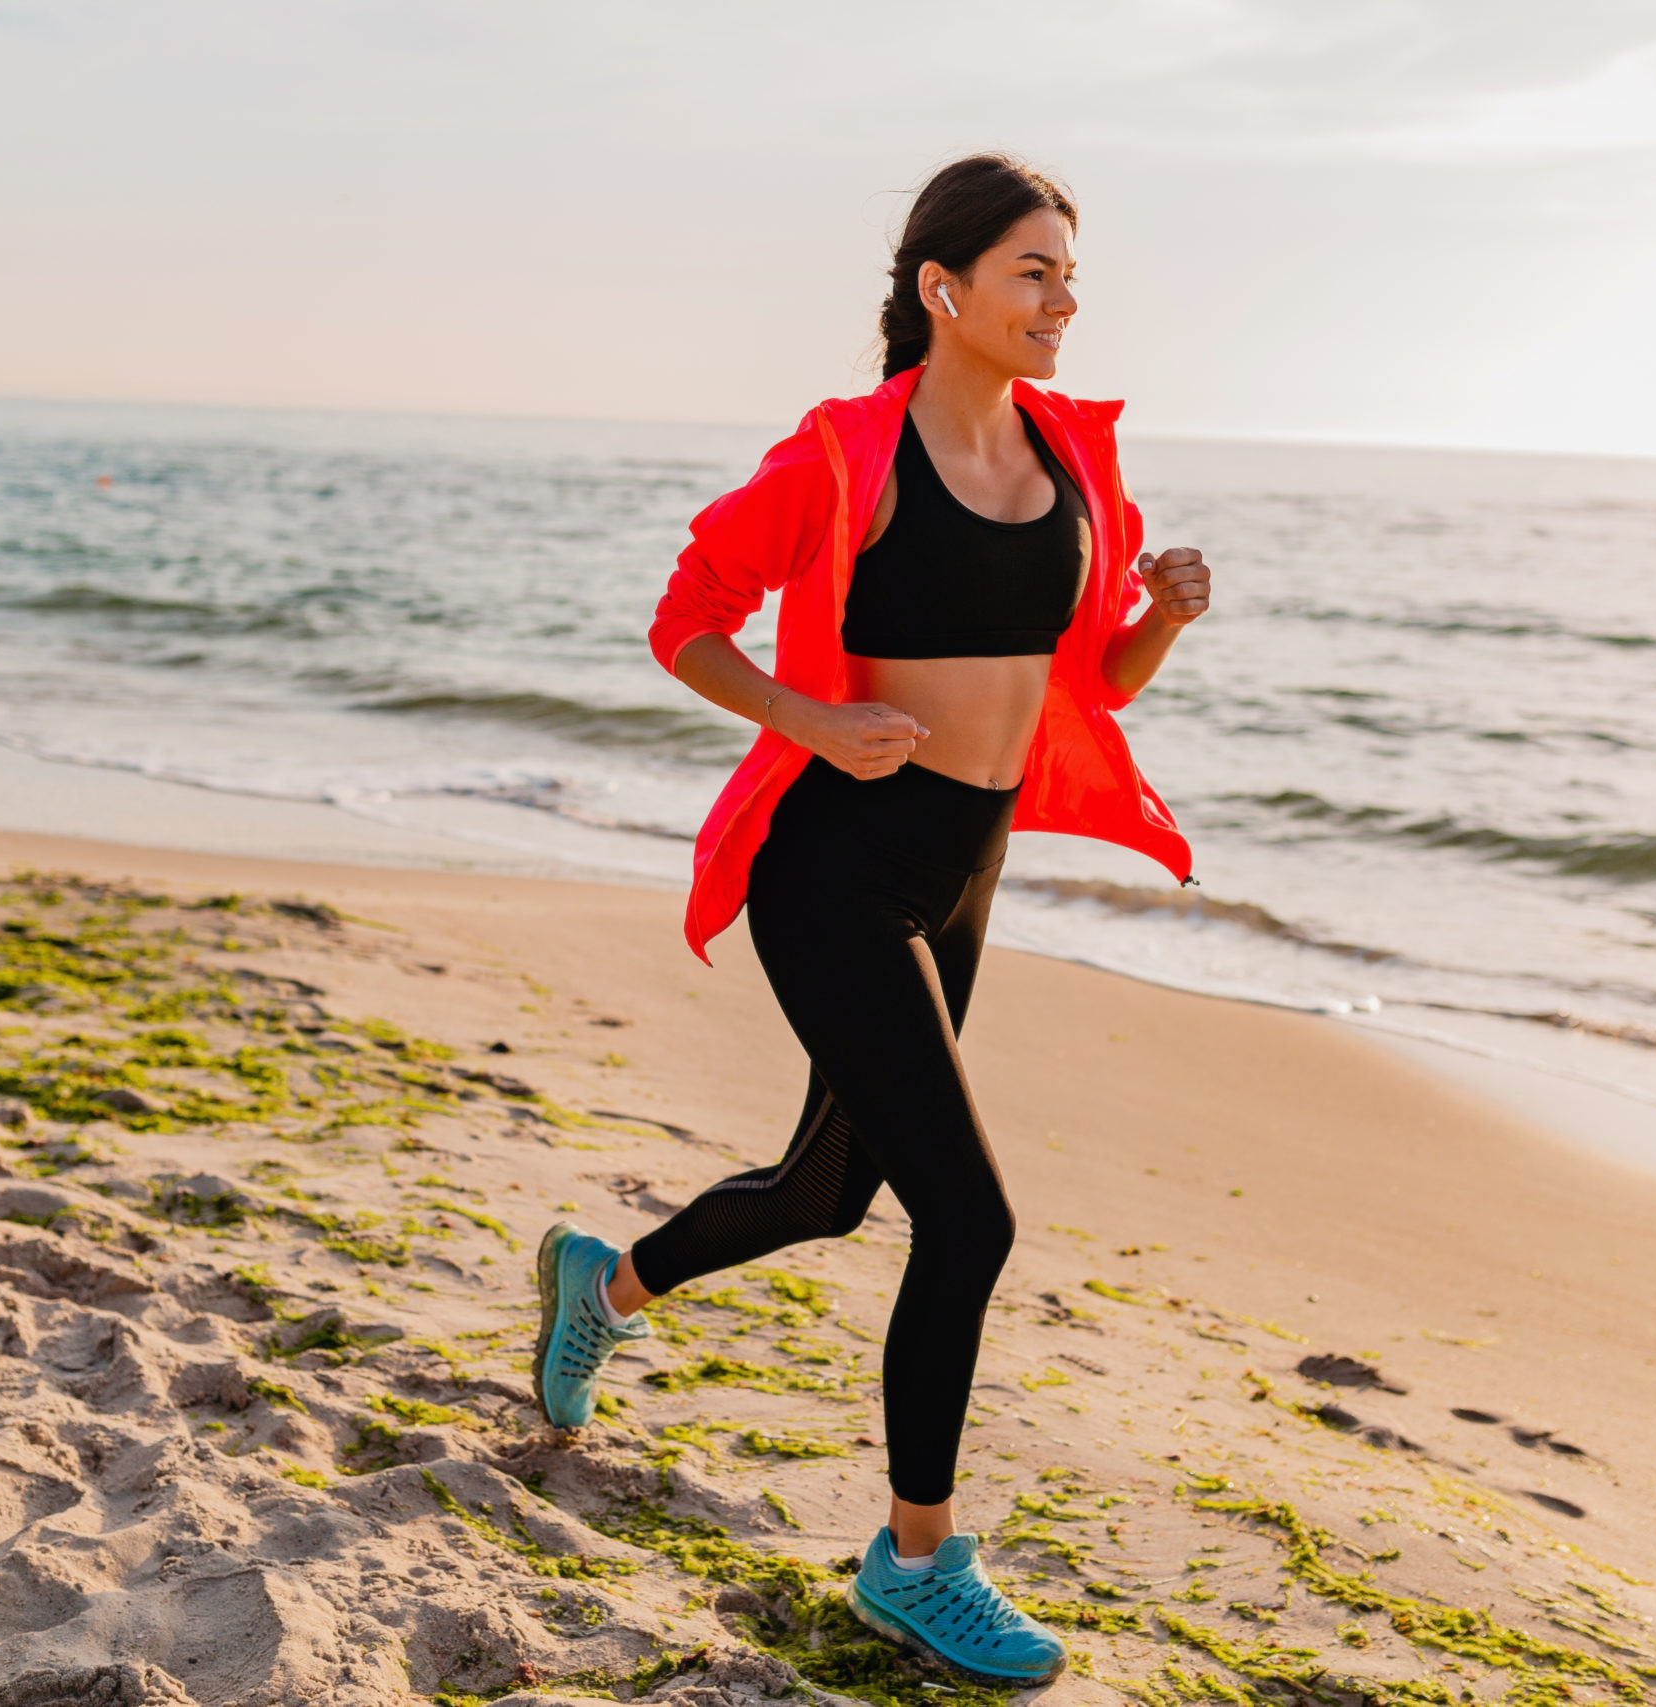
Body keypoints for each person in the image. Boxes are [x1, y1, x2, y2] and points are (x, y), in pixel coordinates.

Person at [530, 153, 1209, 1685]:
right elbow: (686, 620)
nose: (1064, 301)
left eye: (1070, 274)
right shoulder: (848, 457)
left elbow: (1086, 682)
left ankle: (606, 1283)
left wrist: (1158, 613)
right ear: (944, 291)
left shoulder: (1072, 466)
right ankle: (914, 1562)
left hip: (967, 865)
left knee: (834, 1187)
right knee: (967, 1218)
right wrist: (808, 720)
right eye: (1035, 272)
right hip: (836, 865)